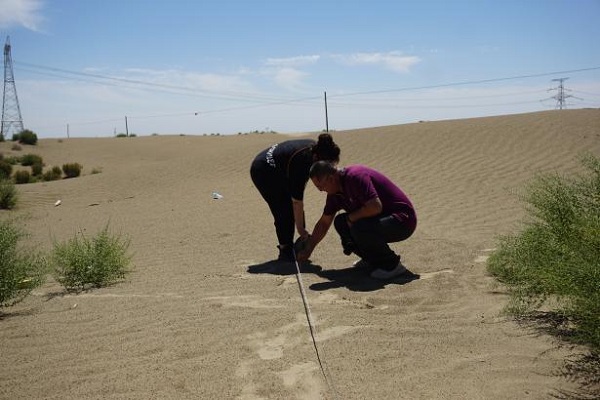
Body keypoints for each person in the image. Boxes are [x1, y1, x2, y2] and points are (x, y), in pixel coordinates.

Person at [297, 161, 417, 279]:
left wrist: (350, 218)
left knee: (359, 226)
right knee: (341, 222)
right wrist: (309, 249)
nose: (321, 190)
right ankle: (371, 259)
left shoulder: (355, 177)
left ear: (331, 178)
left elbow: (375, 206)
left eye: (321, 186)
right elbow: (324, 223)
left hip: (402, 220)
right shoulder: (334, 193)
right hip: (380, 220)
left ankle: (392, 266)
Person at [250, 134, 341, 262]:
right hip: (263, 169)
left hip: (280, 167)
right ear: (316, 158)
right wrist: (301, 229)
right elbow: (297, 202)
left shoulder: (317, 150)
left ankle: (297, 243)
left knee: (291, 207)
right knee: (283, 208)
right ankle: (285, 249)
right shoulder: (302, 163)